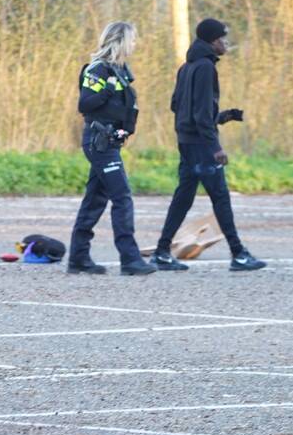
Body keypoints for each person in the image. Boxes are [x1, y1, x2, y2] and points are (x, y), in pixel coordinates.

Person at [150, 18, 266, 272]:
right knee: (220, 198)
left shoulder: (186, 67)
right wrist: (215, 147)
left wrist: (222, 117)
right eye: (224, 38)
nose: (226, 43)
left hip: (186, 142)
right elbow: (201, 113)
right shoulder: (205, 68)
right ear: (213, 41)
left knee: (183, 198)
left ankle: (161, 251)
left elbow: (177, 106)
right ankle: (239, 254)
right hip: (202, 146)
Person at [67, 23, 155, 276]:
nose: (135, 44)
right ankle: (130, 259)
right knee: (122, 197)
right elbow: (85, 104)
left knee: (95, 199)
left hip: (110, 142)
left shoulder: (120, 71)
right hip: (99, 142)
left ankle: (78, 258)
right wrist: (106, 89)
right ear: (120, 41)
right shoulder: (99, 69)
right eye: (132, 40)